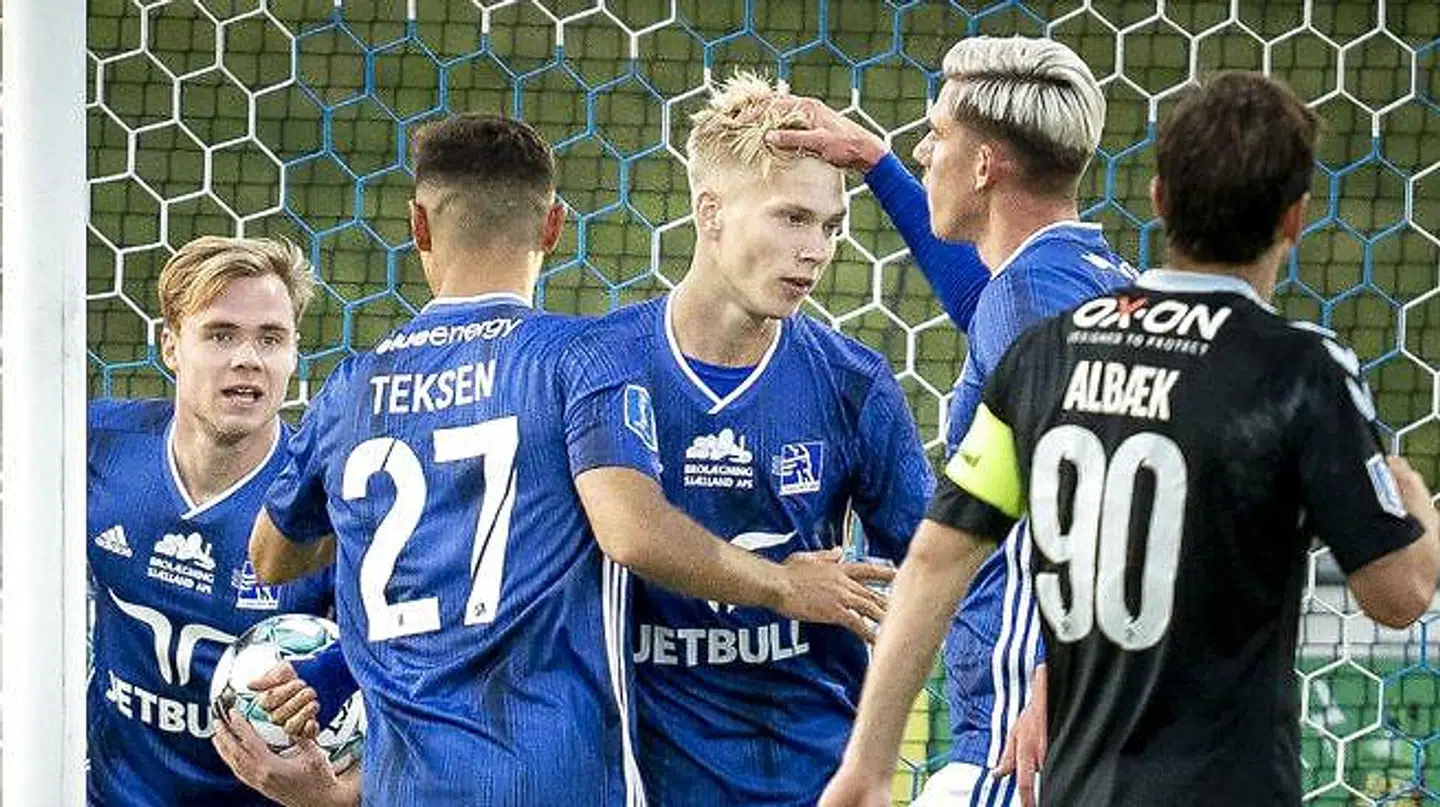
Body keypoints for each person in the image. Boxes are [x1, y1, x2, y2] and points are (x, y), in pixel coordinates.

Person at [821, 70, 1440, 807]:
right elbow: (1398, 594)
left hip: (1059, 770)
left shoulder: (1052, 350)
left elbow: (938, 555)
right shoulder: (1301, 370)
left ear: (1159, 199)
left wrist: (868, 766)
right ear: (1296, 219)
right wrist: (1418, 510)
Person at [245, 113, 892, 806]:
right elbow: (633, 532)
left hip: (405, 788)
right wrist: (784, 585)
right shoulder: (580, 359)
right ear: (554, 226)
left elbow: (272, 557)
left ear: (418, 227)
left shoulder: (351, 387)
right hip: (559, 779)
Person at [769, 35, 1130, 805]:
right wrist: (875, 163)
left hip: (1020, 732)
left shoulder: (1032, 301)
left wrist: (1064, 668)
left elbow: (1110, 485)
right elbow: (981, 299)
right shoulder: (1080, 277)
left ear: (985, 165)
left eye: (937, 134)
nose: (924, 151)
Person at [560, 72, 932, 805]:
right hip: (645, 785)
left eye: (830, 226)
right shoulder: (603, 363)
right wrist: (785, 584)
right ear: (710, 212)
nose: (816, 250)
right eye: (792, 217)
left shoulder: (853, 383)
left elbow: (939, 568)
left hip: (814, 778)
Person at [86, 235, 359, 807]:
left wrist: (338, 797)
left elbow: (407, 682)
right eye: (221, 335)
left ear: (294, 355)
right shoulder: (96, 446)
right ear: (170, 346)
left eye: (271, 338)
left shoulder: (331, 501)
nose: (248, 358)